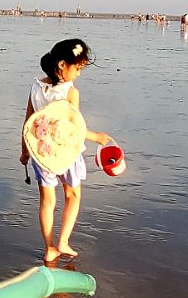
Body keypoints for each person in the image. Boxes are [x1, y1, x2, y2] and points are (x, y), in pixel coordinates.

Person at [19, 38, 116, 266]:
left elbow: (27, 123)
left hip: (42, 153)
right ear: (62, 64)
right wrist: (98, 137)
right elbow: (74, 129)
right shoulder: (71, 92)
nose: (79, 74)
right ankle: (63, 241)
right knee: (72, 195)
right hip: (66, 153)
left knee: (47, 201)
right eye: (78, 68)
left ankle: (49, 248)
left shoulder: (35, 87)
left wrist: (24, 150)